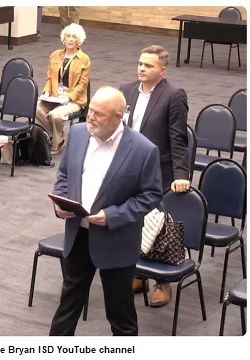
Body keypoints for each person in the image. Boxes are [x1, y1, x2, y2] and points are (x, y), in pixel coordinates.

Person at [49, 86, 162, 336]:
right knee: (68, 306)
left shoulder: (144, 150)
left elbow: (151, 196)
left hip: (116, 242)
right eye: (90, 111)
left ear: (117, 117)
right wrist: (62, 200)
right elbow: (65, 174)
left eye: (98, 114)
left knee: (120, 314)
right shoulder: (79, 133)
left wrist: (112, 216)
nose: (91, 117)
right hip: (78, 235)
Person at [119, 45, 190, 307]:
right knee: (131, 221)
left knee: (159, 225)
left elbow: (178, 139)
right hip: (127, 168)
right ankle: (138, 274)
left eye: (147, 65)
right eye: (139, 63)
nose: (141, 68)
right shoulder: (125, 90)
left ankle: (163, 284)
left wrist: (181, 174)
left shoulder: (173, 95)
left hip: (158, 170)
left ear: (162, 70)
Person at [36, 23, 90, 154]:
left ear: (78, 40)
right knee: (35, 108)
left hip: (74, 99)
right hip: (54, 95)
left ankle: (56, 140)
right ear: (63, 39)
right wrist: (47, 91)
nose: (70, 39)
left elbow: (83, 84)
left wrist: (68, 96)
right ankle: (56, 137)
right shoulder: (55, 55)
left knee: (56, 115)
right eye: (68, 36)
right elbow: (49, 77)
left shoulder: (84, 59)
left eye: (74, 37)